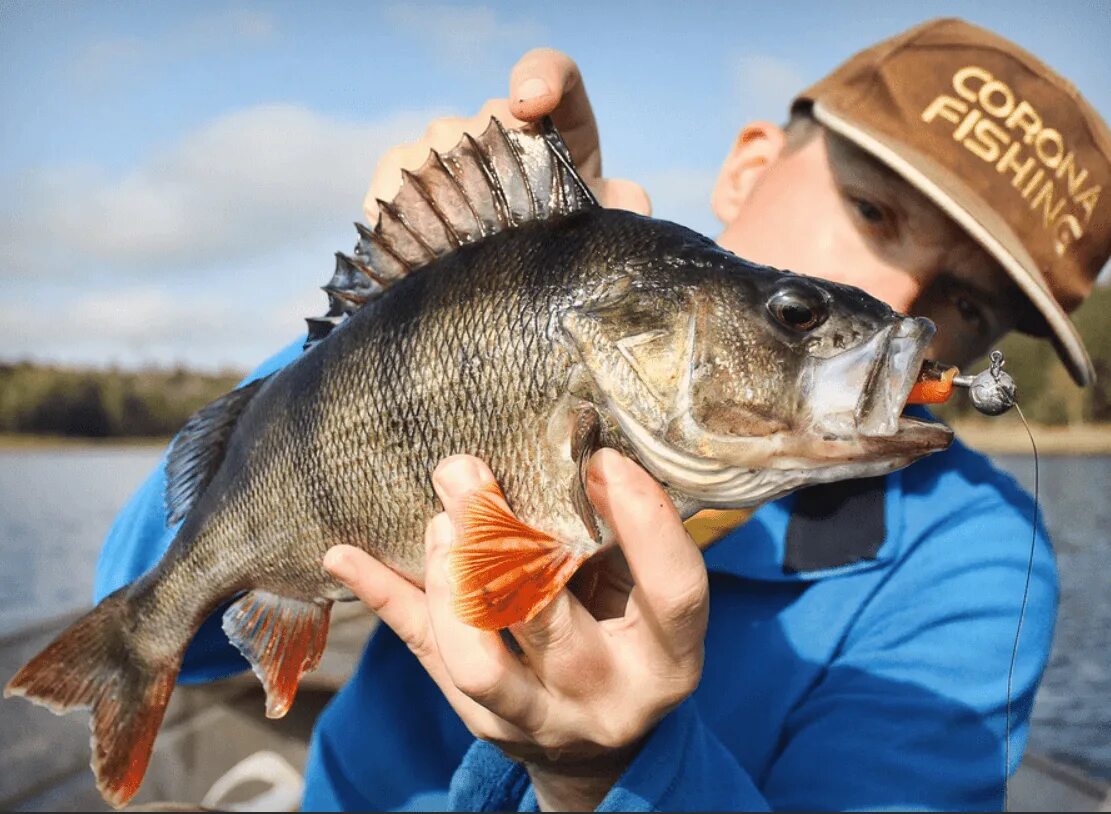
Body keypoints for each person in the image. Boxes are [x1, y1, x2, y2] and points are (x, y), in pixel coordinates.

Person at [96, 17, 1111, 811]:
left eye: (970, 305)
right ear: (749, 165)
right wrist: (404, 307)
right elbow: (162, 615)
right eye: (872, 211)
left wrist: (606, 772)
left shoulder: (977, 557)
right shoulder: (550, 305)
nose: (896, 309)